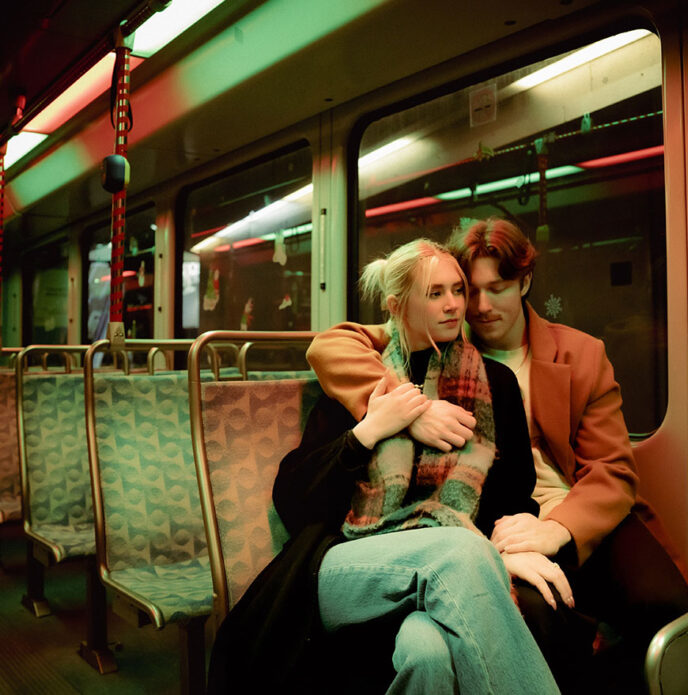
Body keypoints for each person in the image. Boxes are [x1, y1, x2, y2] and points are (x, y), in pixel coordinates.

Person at [307, 218, 688, 693]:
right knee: (539, 611)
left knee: (662, 604)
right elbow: (335, 343)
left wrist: (557, 529)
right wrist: (410, 409)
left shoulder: (579, 353)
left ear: (525, 283)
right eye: (464, 290)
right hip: (494, 513)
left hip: (572, 505)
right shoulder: (443, 338)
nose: (475, 305)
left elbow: (612, 471)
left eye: (495, 289)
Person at [208, 238, 560, 694]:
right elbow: (295, 504)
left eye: (458, 290)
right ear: (398, 306)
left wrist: (513, 546)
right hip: (343, 564)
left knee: (426, 652)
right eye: (435, 294)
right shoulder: (364, 378)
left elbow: (513, 494)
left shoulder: (495, 384)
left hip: (444, 570)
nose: (455, 305)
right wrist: (370, 431)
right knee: (461, 551)